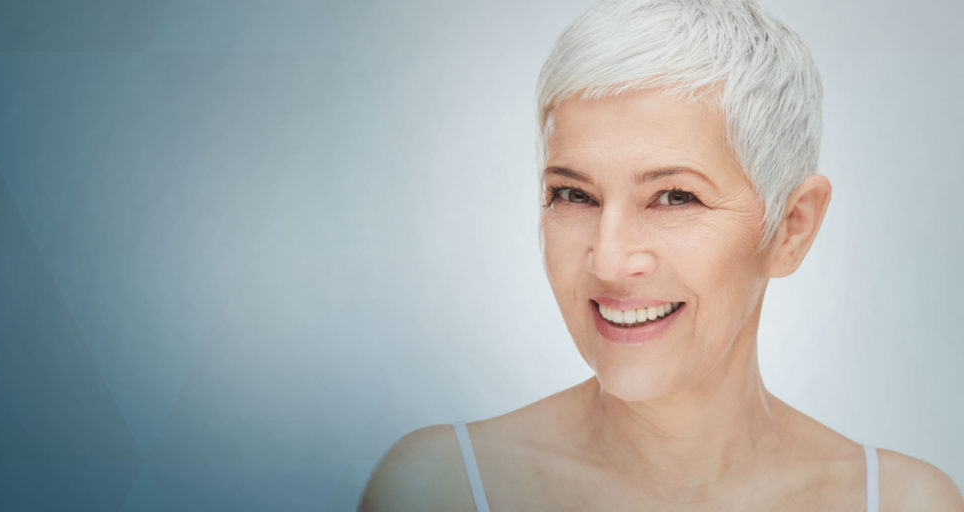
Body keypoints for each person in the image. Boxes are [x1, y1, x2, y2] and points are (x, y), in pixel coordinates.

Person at [360, 0, 964, 510]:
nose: (609, 258)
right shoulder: (441, 488)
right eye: (572, 194)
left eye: (674, 197)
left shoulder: (907, 502)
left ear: (791, 228)